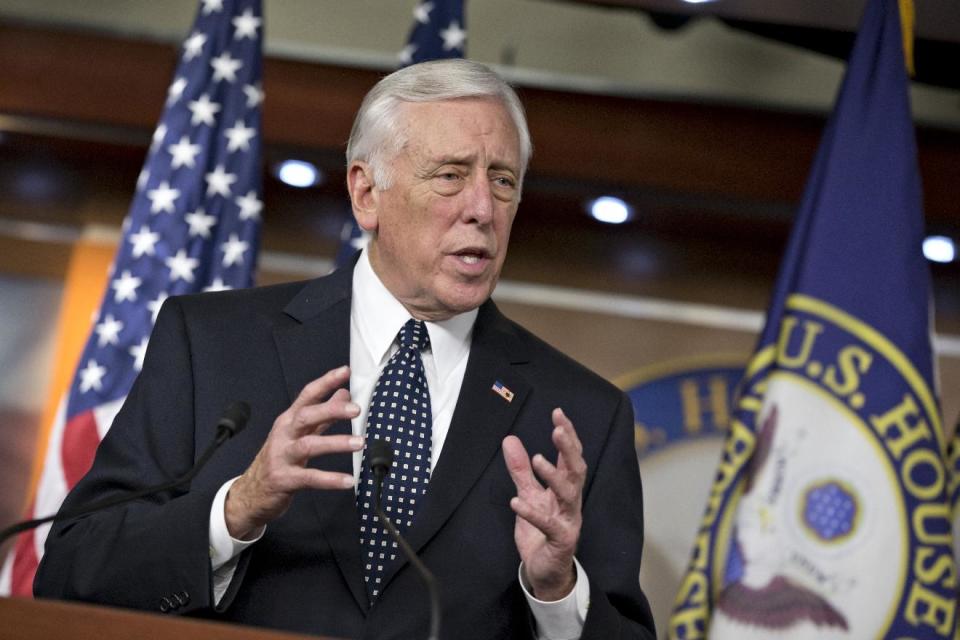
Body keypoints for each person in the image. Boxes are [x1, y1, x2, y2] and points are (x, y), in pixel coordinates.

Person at [35, 59, 656, 640]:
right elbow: (70, 571)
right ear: (365, 193)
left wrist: (556, 591)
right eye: (450, 176)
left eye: (503, 181)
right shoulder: (212, 344)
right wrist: (237, 508)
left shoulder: (582, 414)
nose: (482, 210)